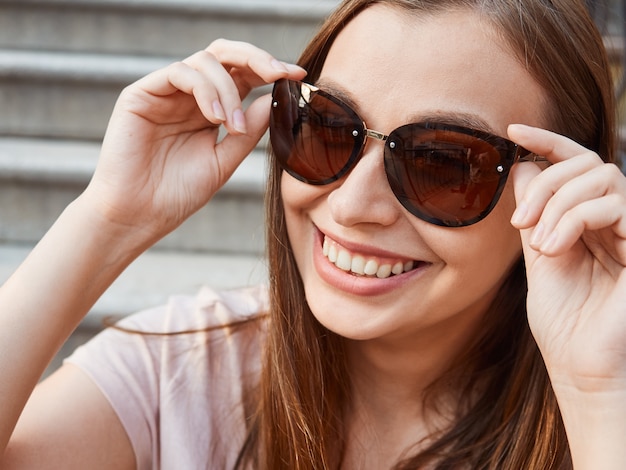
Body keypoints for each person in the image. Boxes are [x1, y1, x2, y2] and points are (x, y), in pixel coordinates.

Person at [1, 0, 625, 468]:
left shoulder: (602, 409)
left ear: (561, 189)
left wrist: (598, 392)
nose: (354, 204)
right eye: (327, 126)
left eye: (443, 164)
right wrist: (108, 220)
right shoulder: (182, 372)